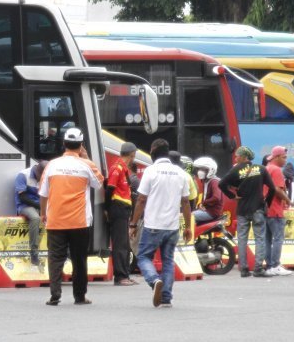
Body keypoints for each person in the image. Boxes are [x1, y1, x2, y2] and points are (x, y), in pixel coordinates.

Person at [39, 128, 103, 306]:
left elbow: (43, 193)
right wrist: (87, 159)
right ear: (81, 145)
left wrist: (43, 213)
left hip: (56, 220)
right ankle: (79, 296)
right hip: (79, 221)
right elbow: (98, 184)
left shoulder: (52, 165)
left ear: (63, 144)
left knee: (55, 258)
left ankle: (55, 294)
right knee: (79, 259)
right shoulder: (86, 165)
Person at [130, 139, 190, 308]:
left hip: (153, 225)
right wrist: (188, 227)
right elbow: (186, 202)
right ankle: (166, 298)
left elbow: (141, 199)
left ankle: (154, 280)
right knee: (168, 260)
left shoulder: (150, 171)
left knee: (143, 257)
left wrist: (133, 224)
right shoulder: (180, 173)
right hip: (172, 226)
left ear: (154, 150)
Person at [219, 146, 272, 278]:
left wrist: (232, 196)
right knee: (260, 238)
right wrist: (267, 202)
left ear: (244, 157)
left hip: (242, 209)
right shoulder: (261, 169)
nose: (236, 158)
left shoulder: (235, 170)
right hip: (258, 209)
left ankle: (244, 269)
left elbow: (221, 184)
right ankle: (259, 268)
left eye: (237, 156)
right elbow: (272, 188)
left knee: (242, 239)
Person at [105, 143, 138, 285]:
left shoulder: (123, 169)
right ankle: (120, 276)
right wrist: (106, 209)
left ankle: (125, 274)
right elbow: (109, 189)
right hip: (117, 208)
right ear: (132, 155)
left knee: (124, 243)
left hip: (124, 209)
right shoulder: (117, 168)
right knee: (119, 243)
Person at [263, 146, 293, 277]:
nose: (285, 160)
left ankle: (269, 266)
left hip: (265, 209)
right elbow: (278, 190)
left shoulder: (266, 168)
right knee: (278, 238)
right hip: (275, 209)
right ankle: (276, 265)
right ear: (277, 157)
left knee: (267, 239)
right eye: (284, 157)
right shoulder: (276, 170)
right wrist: (289, 201)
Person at [14, 160, 48, 265]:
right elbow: (22, 197)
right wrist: (41, 207)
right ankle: (34, 252)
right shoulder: (23, 175)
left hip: (41, 205)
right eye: (40, 177)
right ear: (37, 171)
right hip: (25, 205)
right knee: (35, 218)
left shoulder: (48, 177)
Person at [192, 156, 223, 224]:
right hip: (207, 210)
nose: (200, 171)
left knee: (190, 217)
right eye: (199, 169)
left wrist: (204, 203)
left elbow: (216, 197)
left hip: (212, 212)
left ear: (210, 170)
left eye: (203, 169)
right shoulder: (205, 181)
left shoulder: (214, 182)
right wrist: (201, 204)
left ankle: (191, 234)